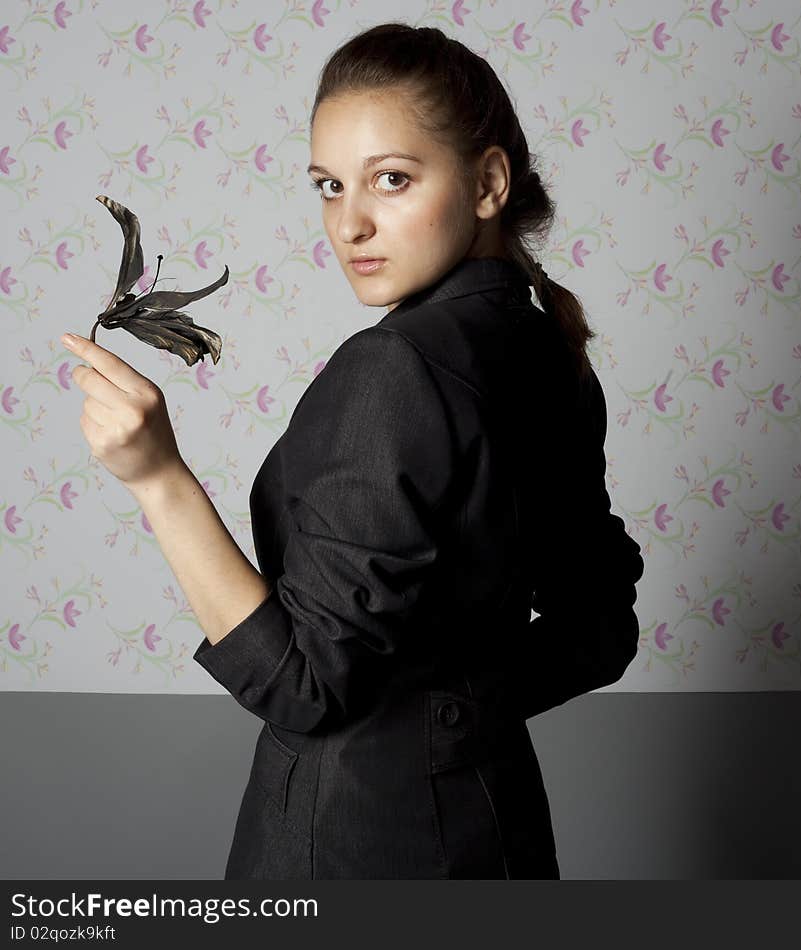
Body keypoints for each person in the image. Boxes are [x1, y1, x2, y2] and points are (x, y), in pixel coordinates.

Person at [64, 22, 644, 880]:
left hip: (357, 840)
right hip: (499, 826)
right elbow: (599, 631)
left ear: (487, 182)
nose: (350, 223)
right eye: (329, 186)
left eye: (392, 180)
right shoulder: (550, 353)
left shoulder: (397, 366)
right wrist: (456, 716)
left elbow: (302, 687)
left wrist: (158, 479)